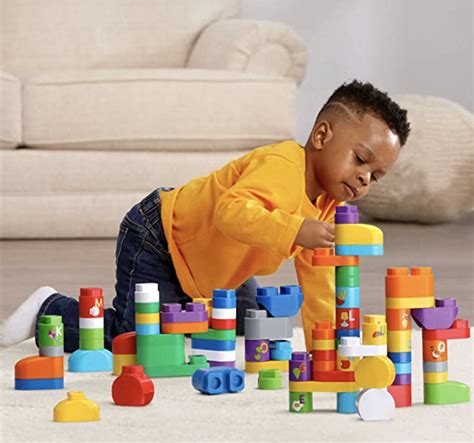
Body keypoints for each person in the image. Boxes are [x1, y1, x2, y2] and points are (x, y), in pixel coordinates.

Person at [0, 80, 410, 351]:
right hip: (160, 237)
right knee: (137, 341)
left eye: (375, 175)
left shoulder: (327, 207)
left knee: (250, 330)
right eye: (360, 160)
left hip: (217, 271)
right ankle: (50, 308)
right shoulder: (283, 164)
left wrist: (329, 342)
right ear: (322, 135)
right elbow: (231, 212)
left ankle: (193, 311)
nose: (364, 179)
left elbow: (318, 275)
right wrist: (295, 228)